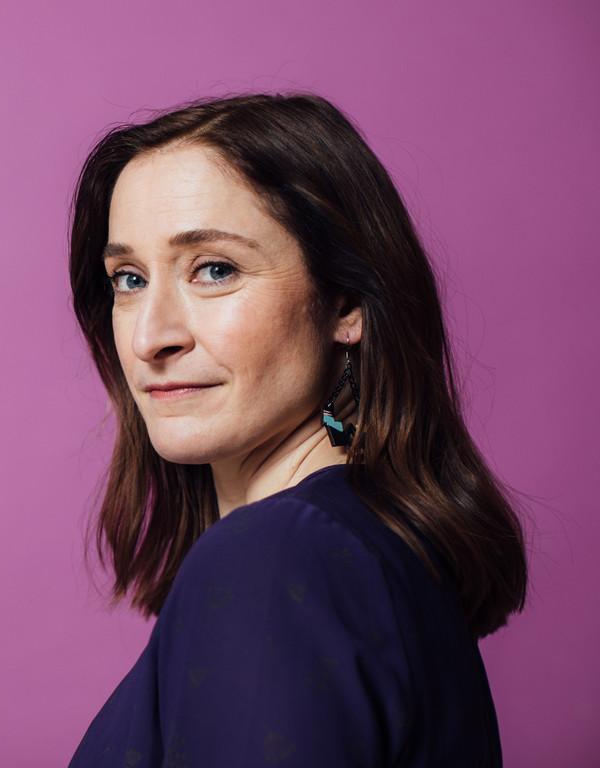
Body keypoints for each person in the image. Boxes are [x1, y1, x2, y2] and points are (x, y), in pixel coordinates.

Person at [67, 93, 527, 767]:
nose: (149, 337)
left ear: (346, 302)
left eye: (215, 269)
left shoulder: (274, 558)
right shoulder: (367, 548)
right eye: (129, 279)